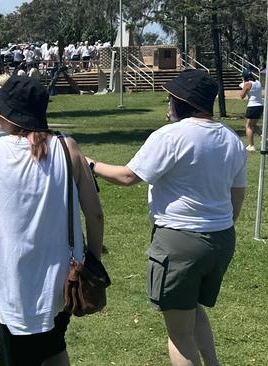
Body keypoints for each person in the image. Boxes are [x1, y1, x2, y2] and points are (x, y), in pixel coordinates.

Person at [87, 70, 246, 366]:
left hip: (179, 241)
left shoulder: (171, 135)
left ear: (184, 101)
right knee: (193, 308)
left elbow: (127, 176)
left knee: (179, 335)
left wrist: (90, 164)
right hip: (222, 239)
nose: (168, 105)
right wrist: (218, 227)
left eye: (171, 99)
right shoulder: (231, 139)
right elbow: (237, 196)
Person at [0, 76, 104, 366]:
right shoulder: (67, 147)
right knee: (53, 346)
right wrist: (92, 257)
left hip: (11, 280)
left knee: (19, 354)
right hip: (61, 278)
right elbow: (94, 213)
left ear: (7, 116)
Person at [240, 69, 263, 151]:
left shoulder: (247, 84)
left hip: (252, 106)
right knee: (254, 124)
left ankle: (251, 145)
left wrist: (243, 86)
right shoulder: (258, 82)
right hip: (260, 105)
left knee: (248, 126)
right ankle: (263, 137)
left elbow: (242, 96)